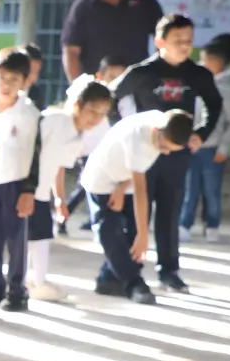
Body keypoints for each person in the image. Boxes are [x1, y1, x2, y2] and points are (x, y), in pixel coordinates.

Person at [112, 14, 221, 294]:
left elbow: (214, 105)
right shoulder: (142, 72)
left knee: (170, 212)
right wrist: (124, 133)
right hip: (143, 154)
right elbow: (110, 98)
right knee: (137, 211)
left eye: (189, 41)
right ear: (160, 41)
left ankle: (169, 271)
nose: (185, 46)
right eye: (177, 41)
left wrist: (201, 133)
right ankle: (132, 272)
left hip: (178, 153)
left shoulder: (198, 74)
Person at [80, 107, 194, 303]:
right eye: (163, 147)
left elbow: (137, 175)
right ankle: (134, 283)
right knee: (110, 231)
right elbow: (142, 191)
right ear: (157, 131)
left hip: (126, 180)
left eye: (170, 150)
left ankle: (108, 279)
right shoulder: (139, 140)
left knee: (131, 233)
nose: (165, 153)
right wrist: (144, 235)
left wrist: (122, 187)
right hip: (101, 178)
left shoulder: (164, 122)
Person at [28, 80, 115, 302]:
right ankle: (29, 281)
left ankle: (36, 280)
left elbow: (58, 167)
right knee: (27, 236)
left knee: (40, 235)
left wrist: (59, 198)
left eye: (102, 114)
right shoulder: (54, 121)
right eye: (91, 111)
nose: (95, 118)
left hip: (39, 192)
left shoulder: (79, 136)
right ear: (77, 105)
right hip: (22, 185)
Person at [0, 48, 41, 311]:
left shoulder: (30, 113)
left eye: (14, 79)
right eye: (1, 77)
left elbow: (37, 154)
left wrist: (29, 190)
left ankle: (17, 291)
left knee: (16, 240)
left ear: (24, 82)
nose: (6, 84)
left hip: (16, 183)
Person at [61, 0, 166, 82]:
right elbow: (71, 51)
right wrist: (78, 88)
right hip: (97, 88)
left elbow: (163, 38)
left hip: (138, 85)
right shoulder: (83, 7)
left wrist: (155, 74)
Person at [180, 34, 230, 243]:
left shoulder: (227, 88)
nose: (202, 64)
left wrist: (223, 148)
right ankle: (184, 224)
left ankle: (212, 226)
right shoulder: (195, 82)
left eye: (206, 61)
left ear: (217, 63)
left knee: (211, 190)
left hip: (213, 149)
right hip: (191, 146)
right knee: (190, 189)